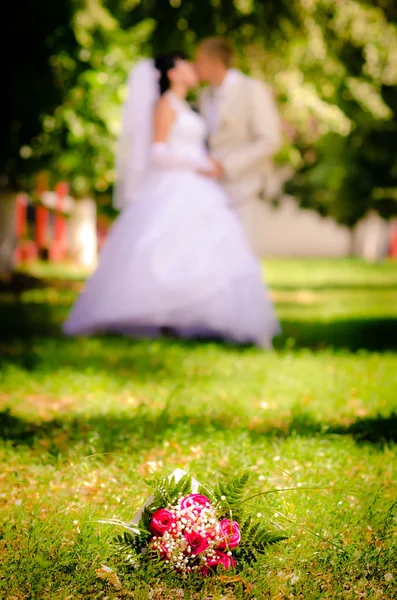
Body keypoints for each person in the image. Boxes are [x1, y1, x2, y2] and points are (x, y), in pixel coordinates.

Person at [63, 53, 280, 348]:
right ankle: (160, 315)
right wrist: (198, 165)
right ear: (173, 73)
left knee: (207, 249)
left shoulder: (192, 105)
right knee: (164, 247)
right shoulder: (164, 106)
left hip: (200, 186)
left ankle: (200, 318)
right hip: (177, 184)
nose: (193, 68)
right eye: (185, 64)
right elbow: (158, 153)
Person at [196, 37, 281, 257]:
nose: (196, 67)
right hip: (211, 188)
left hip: (246, 185)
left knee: (242, 254)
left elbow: (270, 140)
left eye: (200, 61)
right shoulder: (204, 96)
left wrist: (226, 165)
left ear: (215, 62)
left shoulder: (252, 89)